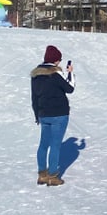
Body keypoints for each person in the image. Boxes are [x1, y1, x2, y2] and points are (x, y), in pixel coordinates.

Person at [31, 45, 75, 186]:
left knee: (43, 144)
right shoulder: (55, 74)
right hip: (59, 114)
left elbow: (34, 97)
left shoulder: (36, 76)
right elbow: (70, 88)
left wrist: (37, 114)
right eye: (59, 60)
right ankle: (53, 176)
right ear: (55, 60)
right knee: (55, 145)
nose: (59, 63)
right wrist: (70, 74)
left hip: (43, 114)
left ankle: (42, 174)